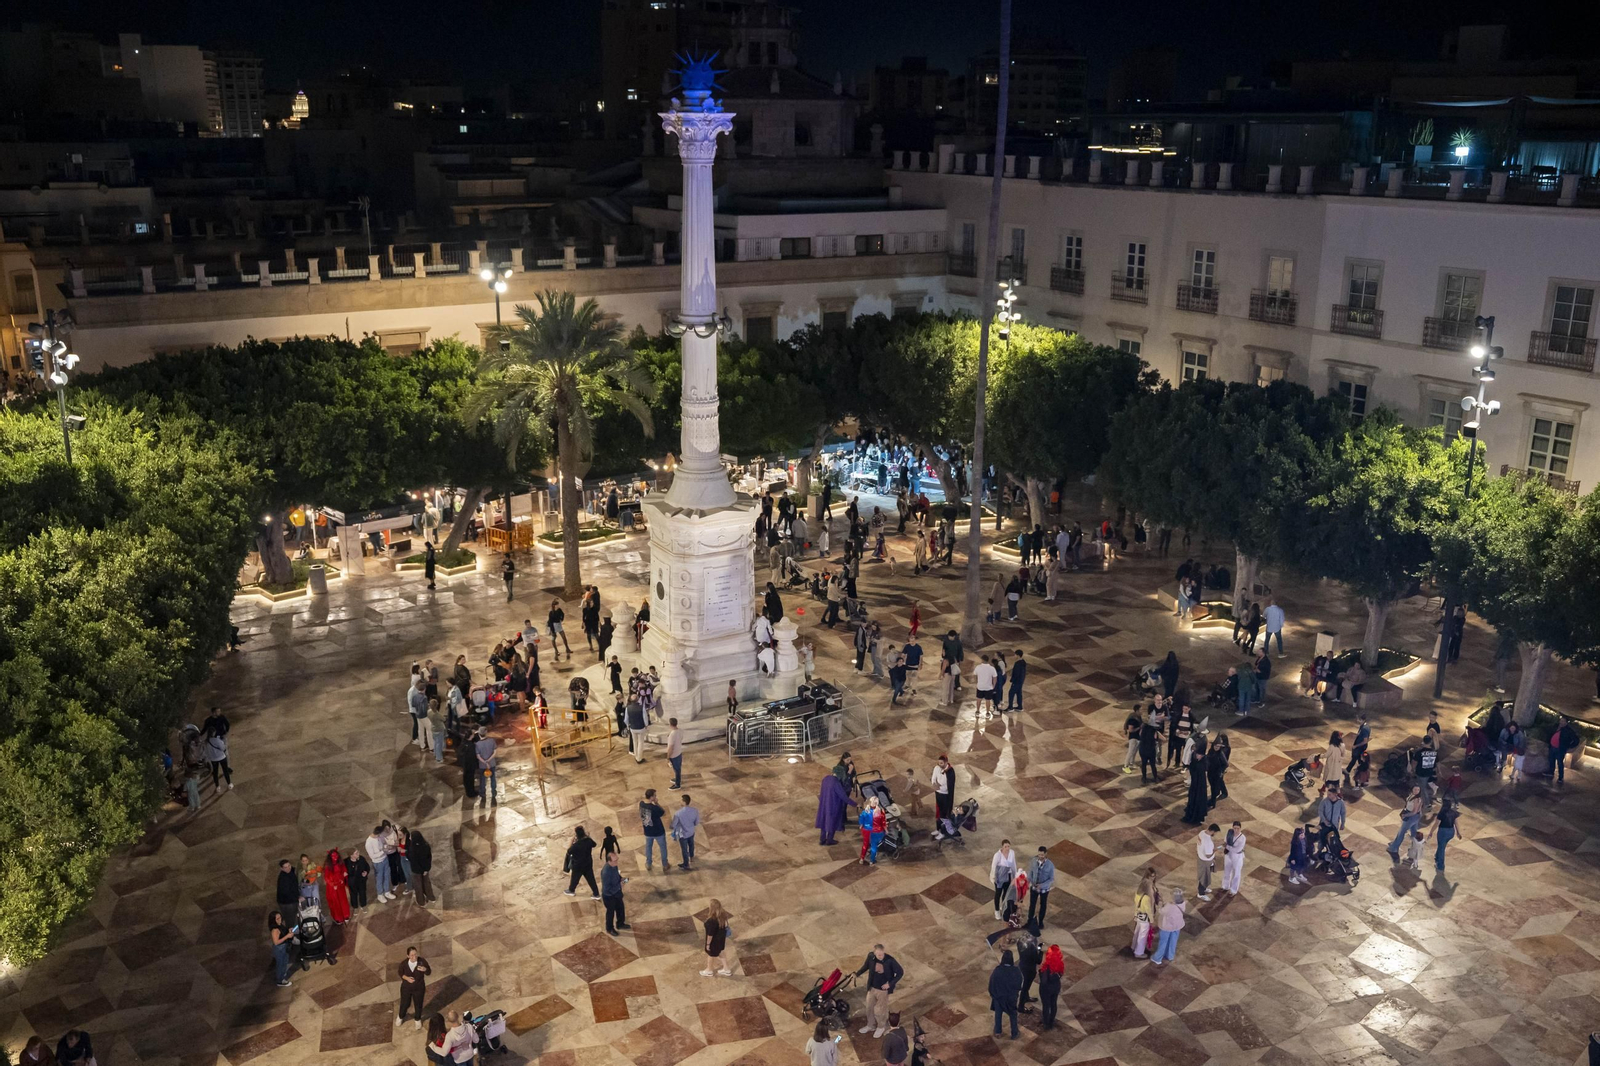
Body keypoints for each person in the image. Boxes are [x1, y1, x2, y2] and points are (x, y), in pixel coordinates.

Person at [854, 944, 903, 1037]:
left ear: (883, 951)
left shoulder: (890, 960)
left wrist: (890, 984)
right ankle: (870, 1025)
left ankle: (881, 1026)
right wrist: (857, 974)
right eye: (878, 955)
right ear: (874, 953)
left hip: (883, 990)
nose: (880, 956)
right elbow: (866, 966)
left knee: (881, 1010)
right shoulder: (871, 956)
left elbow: (900, 972)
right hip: (872, 987)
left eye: (881, 954)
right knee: (869, 1007)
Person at [988, 949, 1023, 1039]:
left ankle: (998, 1032)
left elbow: (992, 984)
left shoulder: (997, 971)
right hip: (1011, 998)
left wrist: (994, 995)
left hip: (999, 997)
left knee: (998, 1014)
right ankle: (1014, 1033)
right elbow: (1019, 984)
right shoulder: (1016, 971)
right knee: (1013, 1014)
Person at [815, 770, 856, 845]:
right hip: (833, 806)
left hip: (824, 804)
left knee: (824, 821)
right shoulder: (836, 783)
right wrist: (855, 804)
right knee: (832, 823)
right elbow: (843, 796)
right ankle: (829, 840)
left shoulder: (825, 779)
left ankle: (822, 839)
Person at [395, 946, 431, 1030]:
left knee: (418, 1004)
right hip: (406, 988)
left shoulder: (422, 961)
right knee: (404, 1003)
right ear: (408, 956)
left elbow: (429, 971)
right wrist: (407, 978)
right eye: (411, 955)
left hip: (419, 988)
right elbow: (400, 973)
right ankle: (400, 1016)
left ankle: (417, 1019)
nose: (414, 957)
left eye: (415, 954)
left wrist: (424, 969)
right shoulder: (404, 964)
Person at [1150, 889, 1187, 965]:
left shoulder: (1170, 906)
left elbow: (1161, 911)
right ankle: (1170, 955)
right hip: (1177, 925)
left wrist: (1160, 903)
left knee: (1163, 942)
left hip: (1167, 926)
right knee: (1173, 940)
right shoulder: (1183, 903)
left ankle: (1157, 958)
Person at [564, 826, 600, 898]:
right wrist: (588, 837)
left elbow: (569, 851)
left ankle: (571, 890)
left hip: (578, 865)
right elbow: (594, 844)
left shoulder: (576, 846)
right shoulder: (588, 841)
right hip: (588, 864)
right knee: (591, 879)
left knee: (575, 878)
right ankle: (596, 894)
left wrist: (571, 842)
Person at [639, 788, 669, 871]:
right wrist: (657, 803)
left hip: (648, 831)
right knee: (663, 848)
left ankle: (648, 863)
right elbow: (664, 812)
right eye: (655, 795)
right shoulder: (654, 808)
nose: (656, 797)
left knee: (648, 847)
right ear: (651, 797)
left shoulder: (641, 804)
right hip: (658, 831)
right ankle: (665, 864)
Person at [701, 899, 733, 976]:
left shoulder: (711, 921)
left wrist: (708, 944)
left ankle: (709, 970)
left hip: (714, 942)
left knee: (711, 955)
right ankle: (726, 969)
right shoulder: (723, 914)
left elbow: (710, 935)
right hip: (721, 939)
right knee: (721, 952)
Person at [1026, 846, 1054, 928]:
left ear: (1045, 854)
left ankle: (1040, 922)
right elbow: (1030, 872)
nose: (1040, 857)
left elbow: (1051, 879)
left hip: (1044, 889)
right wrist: (1030, 881)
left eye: (1042, 855)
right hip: (1034, 887)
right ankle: (1029, 921)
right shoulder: (1033, 861)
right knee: (1032, 905)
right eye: (1039, 855)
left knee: (1043, 905)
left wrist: (1041, 885)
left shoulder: (1050, 865)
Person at [1037, 945, 1065, 1029]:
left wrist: (1040, 973)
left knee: (1046, 1006)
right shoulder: (1060, 964)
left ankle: (1046, 1023)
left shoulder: (1047, 968)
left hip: (1046, 989)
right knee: (1053, 1004)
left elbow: (1044, 981)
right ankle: (1051, 1021)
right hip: (1056, 987)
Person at [990, 839, 1018, 919]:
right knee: (998, 894)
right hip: (999, 876)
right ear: (1002, 847)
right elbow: (994, 866)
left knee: (1006, 893)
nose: (1007, 848)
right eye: (1005, 846)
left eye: (1008, 846)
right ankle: (997, 911)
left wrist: (1015, 875)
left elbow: (1013, 864)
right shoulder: (997, 855)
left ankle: (1004, 907)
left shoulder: (1012, 853)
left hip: (1008, 875)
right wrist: (993, 877)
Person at [1133, 868, 1158, 957]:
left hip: (1139, 914)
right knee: (1143, 935)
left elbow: (1136, 903)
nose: (1153, 878)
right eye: (1152, 877)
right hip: (1145, 916)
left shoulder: (1138, 893)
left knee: (1137, 931)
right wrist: (1152, 920)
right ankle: (1139, 952)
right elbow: (1148, 910)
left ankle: (1134, 946)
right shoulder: (1147, 898)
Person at [672, 793, 701, 870]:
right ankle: (691, 857)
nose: (680, 801)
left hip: (683, 834)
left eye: (681, 800)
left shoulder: (678, 813)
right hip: (691, 832)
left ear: (684, 802)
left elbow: (674, 824)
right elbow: (697, 822)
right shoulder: (695, 810)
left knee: (684, 849)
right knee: (691, 844)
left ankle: (686, 864)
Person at [1431, 800, 1460, 870]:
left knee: (1441, 848)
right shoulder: (1454, 813)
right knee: (1442, 845)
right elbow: (1456, 823)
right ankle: (1437, 856)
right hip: (1451, 832)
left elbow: (1436, 824)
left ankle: (1440, 865)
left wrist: (1431, 832)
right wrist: (1458, 832)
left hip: (1443, 831)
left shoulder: (1441, 813)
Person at [1551, 715, 1581, 783]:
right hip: (1553, 747)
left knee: (1560, 763)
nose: (1561, 722)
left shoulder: (1569, 731)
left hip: (1560, 749)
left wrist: (1569, 746)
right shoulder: (1557, 727)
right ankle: (1551, 773)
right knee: (1551, 760)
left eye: (1563, 721)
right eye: (1560, 720)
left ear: (1566, 723)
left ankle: (1560, 778)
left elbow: (1576, 740)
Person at [268, 910, 294, 987]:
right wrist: (287, 936)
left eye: (280, 917)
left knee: (285, 961)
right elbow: (276, 942)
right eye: (277, 918)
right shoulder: (275, 930)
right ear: (273, 920)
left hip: (284, 947)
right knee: (281, 964)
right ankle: (280, 980)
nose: (280, 919)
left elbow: (283, 933)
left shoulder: (279, 925)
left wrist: (288, 931)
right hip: (280, 949)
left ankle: (282, 973)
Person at [858, 794, 887, 864]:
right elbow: (883, 822)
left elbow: (861, 819)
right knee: (874, 846)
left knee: (865, 844)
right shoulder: (880, 812)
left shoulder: (865, 811)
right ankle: (872, 860)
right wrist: (886, 830)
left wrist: (861, 826)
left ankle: (862, 858)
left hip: (866, 830)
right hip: (876, 831)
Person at [1220, 821, 1246, 895]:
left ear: (1240, 828)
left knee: (1236, 873)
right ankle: (1225, 886)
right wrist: (1228, 846)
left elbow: (1237, 849)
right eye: (1235, 828)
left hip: (1237, 857)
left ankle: (1233, 890)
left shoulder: (1242, 838)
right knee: (1227, 871)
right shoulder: (1229, 833)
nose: (1236, 830)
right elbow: (1225, 841)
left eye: (1238, 828)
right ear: (1232, 827)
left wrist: (1227, 846)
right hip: (1228, 855)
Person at [475, 727, 499, 806]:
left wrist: (485, 762)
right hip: (491, 764)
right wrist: (489, 760)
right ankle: (494, 792)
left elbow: (478, 756)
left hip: (482, 765)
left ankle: (483, 794)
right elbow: (495, 752)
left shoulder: (478, 744)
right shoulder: (491, 741)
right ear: (486, 733)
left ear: (479, 734)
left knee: (482, 780)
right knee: (493, 778)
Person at [931, 754, 955, 825]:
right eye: (939, 763)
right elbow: (933, 778)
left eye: (941, 763)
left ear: (946, 762)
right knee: (938, 811)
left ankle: (944, 831)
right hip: (938, 793)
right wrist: (934, 784)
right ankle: (938, 829)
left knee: (944, 813)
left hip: (945, 795)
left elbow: (947, 785)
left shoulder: (950, 772)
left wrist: (938, 786)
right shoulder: (937, 767)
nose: (939, 765)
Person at [1195, 824, 1216, 901]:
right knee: (1204, 877)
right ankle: (1201, 894)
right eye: (1215, 832)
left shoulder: (1202, 832)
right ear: (1213, 831)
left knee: (1204, 877)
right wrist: (1215, 850)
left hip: (1200, 857)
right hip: (1205, 861)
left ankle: (1204, 888)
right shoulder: (1207, 842)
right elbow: (1208, 855)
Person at [626, 696, 648, 763]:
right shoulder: (641, 707)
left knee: (634, 742)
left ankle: (636, 755)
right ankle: (639, 758)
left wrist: (628, 726)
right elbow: (645, 717)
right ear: (638, 700)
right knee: (640, 742)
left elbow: (626, 719)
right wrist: (646, 725)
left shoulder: (628, 708)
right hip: (641, 727)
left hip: (632, 727)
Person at [666, 718, 684, 790]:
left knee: (676, 769)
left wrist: (668, 757)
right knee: (678, 768)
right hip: (679, 752)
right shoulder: (680, 731)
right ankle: (677, 779)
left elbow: (670, 747)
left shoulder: (672, 735)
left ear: (670, 724)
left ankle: (677, 784)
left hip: (674, 755)